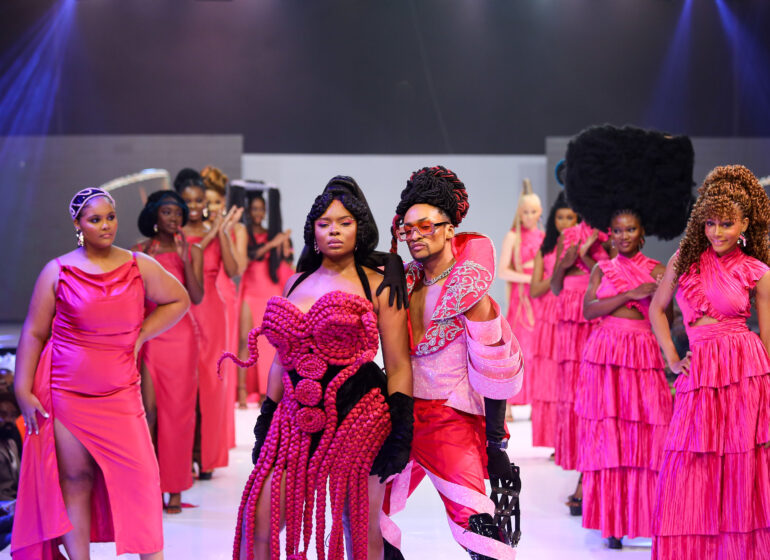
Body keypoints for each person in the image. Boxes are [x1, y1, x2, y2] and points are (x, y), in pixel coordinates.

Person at [220, 176, 414, 560]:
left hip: (360, 418)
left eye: (344, 222)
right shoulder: (295, 282)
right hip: (294, 419)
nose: (334, 231)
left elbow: (397, 363)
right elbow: (282, 357)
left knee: (362, 534)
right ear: (313, 231)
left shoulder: (380, 284)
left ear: (360, 228)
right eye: (325, 224)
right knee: (258, 524)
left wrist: (401, 429)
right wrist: (267, 415)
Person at [11, 187, 190, 559]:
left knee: (142, 479)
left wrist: (141, 333)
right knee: (75, 478)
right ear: (78, 225)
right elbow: (34, 332)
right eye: (95, 219)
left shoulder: (138, 265)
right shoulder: (58, 271)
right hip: (67, 391)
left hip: (121, 392)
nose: (106, 225)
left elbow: (179, 299)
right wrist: (22, 390)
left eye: (110, 217)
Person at [382, 166, 524, 560]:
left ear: (449, 230)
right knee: (364, 509)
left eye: (425, 226)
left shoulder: (471, 292)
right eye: (407, 229)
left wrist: (496, 445)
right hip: (401, 419)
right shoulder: (403, 282)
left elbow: (495, 372)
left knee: (478, 528)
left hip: (452, 423)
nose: (415, 236)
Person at [649, 165, 770, 560]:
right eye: (711, 223)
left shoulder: (757, 270)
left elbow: (768, 340)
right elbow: (657, 309)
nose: (717, 232)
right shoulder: (683, 260)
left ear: (745, 224)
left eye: (727, 224)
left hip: (745, 373)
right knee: (688, 461)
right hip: (699, 369)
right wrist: (672, 358)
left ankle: (736, 551)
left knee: (740, 463)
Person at [134, 190, 204, 515]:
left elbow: (197, 297)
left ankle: (175, 489)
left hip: (182, 337)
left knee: (179, 414)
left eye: (178, 212)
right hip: (151, 334)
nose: (174, 218)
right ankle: (147, 488)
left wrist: (186, 259)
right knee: (148, 413)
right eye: (167, 212)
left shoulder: (192, 249)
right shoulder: (139, 251)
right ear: (154, 216)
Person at [176, 168, 240, 478]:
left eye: (200, 200)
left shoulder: (216, 230)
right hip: (182, 312)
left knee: (211, 386)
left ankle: (206, 456)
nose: (196, 206)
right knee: (183, 386)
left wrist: (221, 233)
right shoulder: (176, 234)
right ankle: (183, 455)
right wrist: (212, 234)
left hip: (213, 313)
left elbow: (233, 269)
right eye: (189, 201)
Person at [201, 165, 246, 448]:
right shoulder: (193, 229)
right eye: (207, 202)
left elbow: (238, 268)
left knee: (219, 369)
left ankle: (218, 439)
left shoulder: (236, 229)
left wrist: (223, 232)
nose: (212, 207)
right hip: (197, 298)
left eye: (217, 201)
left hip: (224, 298)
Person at [529, 191, 578, 448]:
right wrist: (559, 272)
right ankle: (556, 440)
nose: (564, 222)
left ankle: (574, 439)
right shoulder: (546, 248)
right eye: (560, 217)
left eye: (570, 217)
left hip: (573, 315)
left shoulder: (582, 247)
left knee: (571, 378)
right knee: (550, 379)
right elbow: (534, 289)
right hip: (548, 318)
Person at [237, 191, 293, 407]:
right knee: (245, 339)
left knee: (269, 342)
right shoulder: (244, 232)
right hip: (250, 290)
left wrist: (283, 245)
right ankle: (242, 390)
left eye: (261, 209)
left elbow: (284, 262)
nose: (258, 213)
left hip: (269, 289)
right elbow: (250, 256)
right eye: (254, 209)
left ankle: (265, 391)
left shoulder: (272, 234)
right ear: (249, 211)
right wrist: (272, 243)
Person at [499, 179, 543, 412]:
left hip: (541, 299)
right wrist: (528, 278)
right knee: (519, 346)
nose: (529, 216)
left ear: (540, 212)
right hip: (522, 299)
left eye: (533, 211)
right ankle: (508, 401)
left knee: (540, 347)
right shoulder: (512, 237)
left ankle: (538, 400)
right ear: (519, 212)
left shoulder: (544, 237)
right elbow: (502, 271)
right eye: (525, 211)